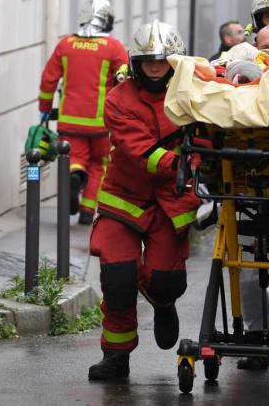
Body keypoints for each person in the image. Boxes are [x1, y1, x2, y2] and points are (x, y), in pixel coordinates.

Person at [87, 20, 201, 381]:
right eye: (148, 60)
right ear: (136, 63)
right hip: (124, 199)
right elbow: (139, 150)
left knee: (167, 282)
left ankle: (163, 304)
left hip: (171, 203)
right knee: (118, 278)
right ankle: (116, 356)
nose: (155, 66)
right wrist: (182, 165)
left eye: (163, 60)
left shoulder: (194, 92)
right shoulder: (119, 99)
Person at [38, 0, 127, 224]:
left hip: (70, 121)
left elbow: (48, 80)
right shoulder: (114, 47)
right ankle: (87, 211)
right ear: (106, 20)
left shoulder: (66, 44)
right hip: (101, 123)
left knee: (74, 158)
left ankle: (75, 176)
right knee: (99, 164)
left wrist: (45, 108)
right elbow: (126, 81)